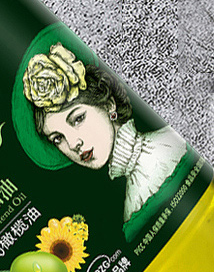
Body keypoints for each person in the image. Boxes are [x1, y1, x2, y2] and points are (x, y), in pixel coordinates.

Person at [21, 42, 191, 238]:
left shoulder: (171, 152)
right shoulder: (132, 201)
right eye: (58, 138)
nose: (73, 143)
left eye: (78, 119)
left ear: (109, 105)